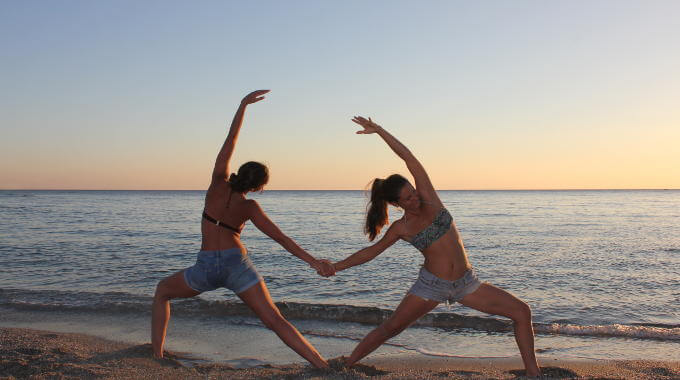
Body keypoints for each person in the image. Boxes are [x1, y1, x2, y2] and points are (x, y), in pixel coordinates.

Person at [327, 116, 541, 376]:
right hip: (431, 285)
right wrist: (336, 266)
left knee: (521, 311)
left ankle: (533, 373)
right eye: (408, 198)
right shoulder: (401, 228)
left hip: (466, 283)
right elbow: (370, 252)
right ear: (397, 204)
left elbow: (408, 157)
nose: (415, 198)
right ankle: (347, 364)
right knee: (392, 327)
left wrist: (380, 131)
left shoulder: (430, 199)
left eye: (413, 192)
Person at [151, 90, 334, 368]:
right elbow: (282, 239)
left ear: (238, 173)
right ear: (258, 186)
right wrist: (314, 263)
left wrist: (242, 106)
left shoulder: (216, 184)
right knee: (274, 319)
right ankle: (321, 365)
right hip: (237, 265)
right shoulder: (250, 208)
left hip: (206, 267)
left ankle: (157, 355)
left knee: (162, 292)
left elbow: (230, 141)